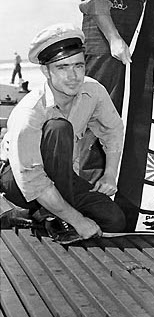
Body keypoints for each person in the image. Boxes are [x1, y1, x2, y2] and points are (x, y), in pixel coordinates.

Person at [0, 24, 126, 244]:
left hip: (63, 177)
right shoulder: (30, 111)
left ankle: (35, 216)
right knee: (58, 129)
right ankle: (54, 215)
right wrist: (78, 221)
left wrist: (109, 174)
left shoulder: (93, 91)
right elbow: (31, 178)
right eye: (62, 67)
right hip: (19, 181)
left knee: (114, 221)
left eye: (78, 66)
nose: (73, 76)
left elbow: (112, 130)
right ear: (46, 71)